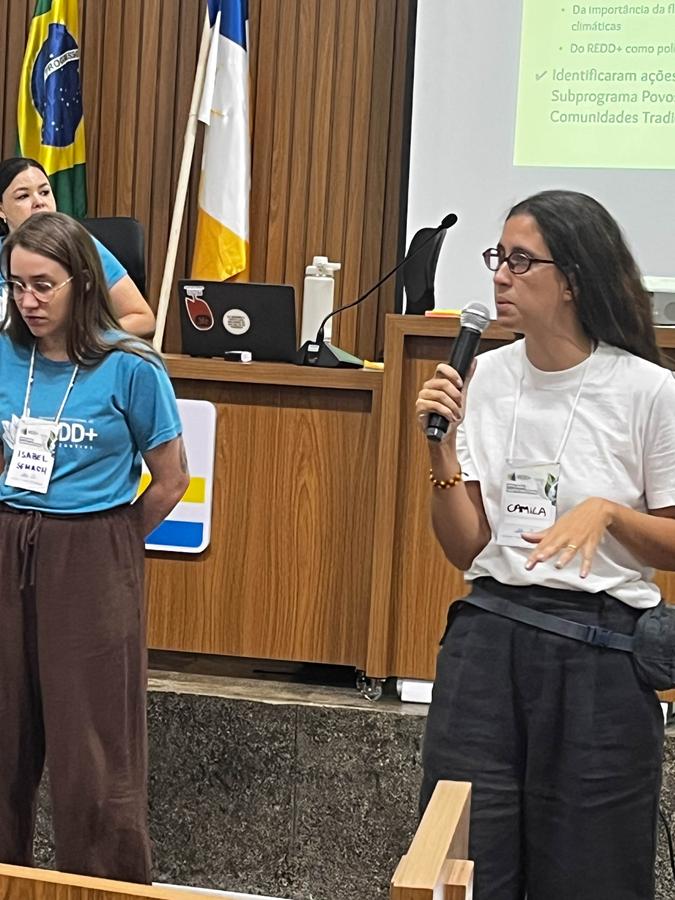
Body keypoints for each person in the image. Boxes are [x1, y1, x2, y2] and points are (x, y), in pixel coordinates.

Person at [414, 189, 675, 900]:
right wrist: (440, 455)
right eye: (497, 257)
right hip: (487, 649)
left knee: (591, 875)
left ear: (572, 281)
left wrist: (609, 516)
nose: (500, 275)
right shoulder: (484, 379)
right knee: (467, 864)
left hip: (599, 659)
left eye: (521, 261)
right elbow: (466, 548)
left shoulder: (648, 391)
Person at [0, 211, 189, 882]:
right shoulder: (5, 354)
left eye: (42, 285)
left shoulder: (130, 365)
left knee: (92, 750)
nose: (28, 301)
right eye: (16, 285)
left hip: (93, 548)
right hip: (8, 538)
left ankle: (101, 887)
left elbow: (171, 479)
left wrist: (111, 544)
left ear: (82, 283)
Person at [0, 156, 155, 336]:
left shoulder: (82, 246)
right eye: (23, 196)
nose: (39, 202)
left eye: (44, 192)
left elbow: (143, 319)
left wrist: (84, 338)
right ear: (1, 209)